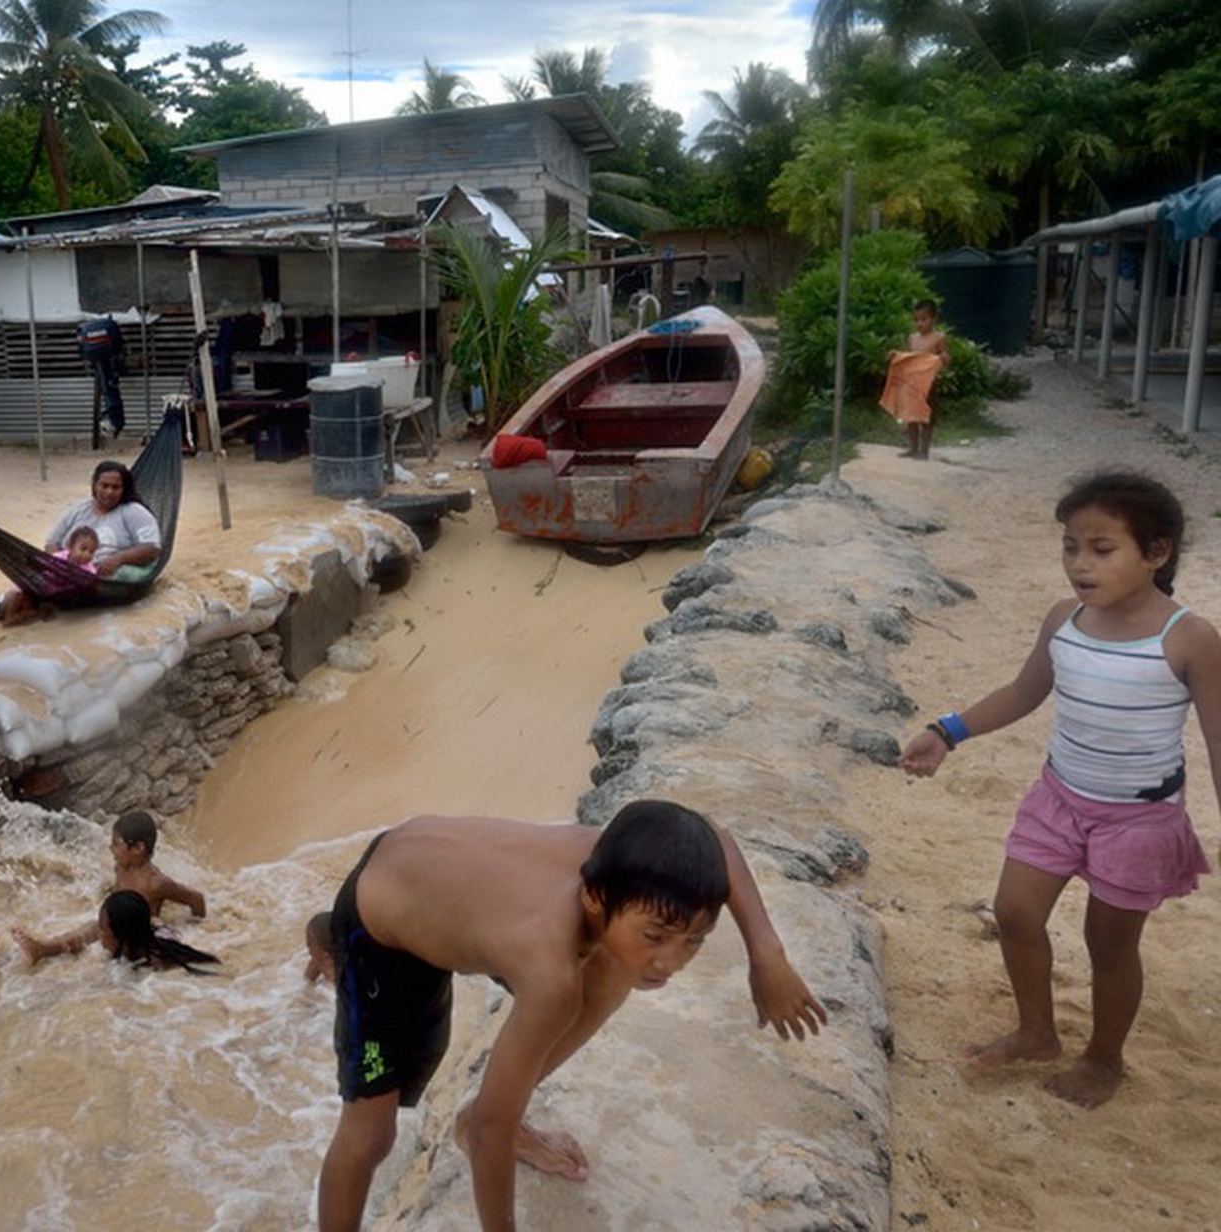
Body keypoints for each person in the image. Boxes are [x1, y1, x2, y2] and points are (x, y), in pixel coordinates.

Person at [315, 802, 827, 1232]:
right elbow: (490, 1137)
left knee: (613, 970)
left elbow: (714, 839)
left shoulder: (629, 859)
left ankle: (489, 1109)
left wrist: (768, 954)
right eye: (655, 936)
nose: (670, 962)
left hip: (445, 881)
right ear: (594, 898)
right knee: (371, 1134)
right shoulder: (551, 976)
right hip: (380, 930)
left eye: (694, 941)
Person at [900, 470, 1218, 1108]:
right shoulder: (1062, 620)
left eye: (1102, 549)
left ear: (1156, 553)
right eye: (1070, 547)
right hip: (1058, 800)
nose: (1080, 564)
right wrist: (948, 731)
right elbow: (1025, 691)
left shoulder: (1189, 639)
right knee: (1015, 912)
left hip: (1139, 822)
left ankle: (1104, 1058)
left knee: (1110, 943)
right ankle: (1037, 1032)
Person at [11, 811, 208, 967]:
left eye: (116, 844)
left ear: (138, 848)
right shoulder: (121, 866)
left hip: (139, 933)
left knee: (94, 930)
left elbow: (196, 899)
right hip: (116, 927)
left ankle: (42, 950)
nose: (110, 849)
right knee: (90, 929)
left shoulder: (155, 883)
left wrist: (195, 927)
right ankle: (42, 949)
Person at [42, 460, 162, 584]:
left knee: (126, 575)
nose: (109, 492)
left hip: (109, 579)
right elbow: (52, 542)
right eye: (104, 486)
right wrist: (60, 565)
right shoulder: (76, 509)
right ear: (94, 486)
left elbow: (152, 548)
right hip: (67, 573)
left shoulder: (135, 512)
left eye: (116, 487)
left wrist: (118, 559)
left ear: (123, 489)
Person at [0, 526, 100, 625]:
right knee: (18, 592)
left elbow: (92, 584)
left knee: (32, 607)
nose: (87, 554)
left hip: (58, 595)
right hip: (43, 587)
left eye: (91, 552)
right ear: (71, 547)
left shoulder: (89, 570)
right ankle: (9, 617)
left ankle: (17, 616)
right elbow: (43, 568)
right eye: (83, 549)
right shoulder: (59, 558)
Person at [879, 300, 951, 460]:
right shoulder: (912, 338)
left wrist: (942, 357)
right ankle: (912, 448)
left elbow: (946, 358)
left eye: (924, 319)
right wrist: (896, 356)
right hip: (911, 383)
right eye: (916, 319)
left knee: (926, 416)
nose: (919, 323)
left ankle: (924, 452)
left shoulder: (938, 337)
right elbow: (908, 358)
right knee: (910, 415)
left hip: (928, 384)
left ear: (934, 319)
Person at [77, 315, 128, 439]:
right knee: (110, 388)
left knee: (109, 388)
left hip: (103, 360)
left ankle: (114, 422)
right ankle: (114, 422)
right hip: (109, 360)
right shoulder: (108, 334)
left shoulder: (95, 341)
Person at [304, 911, 337, 985]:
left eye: (311, 943)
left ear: (325, 953)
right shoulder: (317, 962)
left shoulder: (337, 973)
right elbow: (307, 980)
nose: (307, 943)